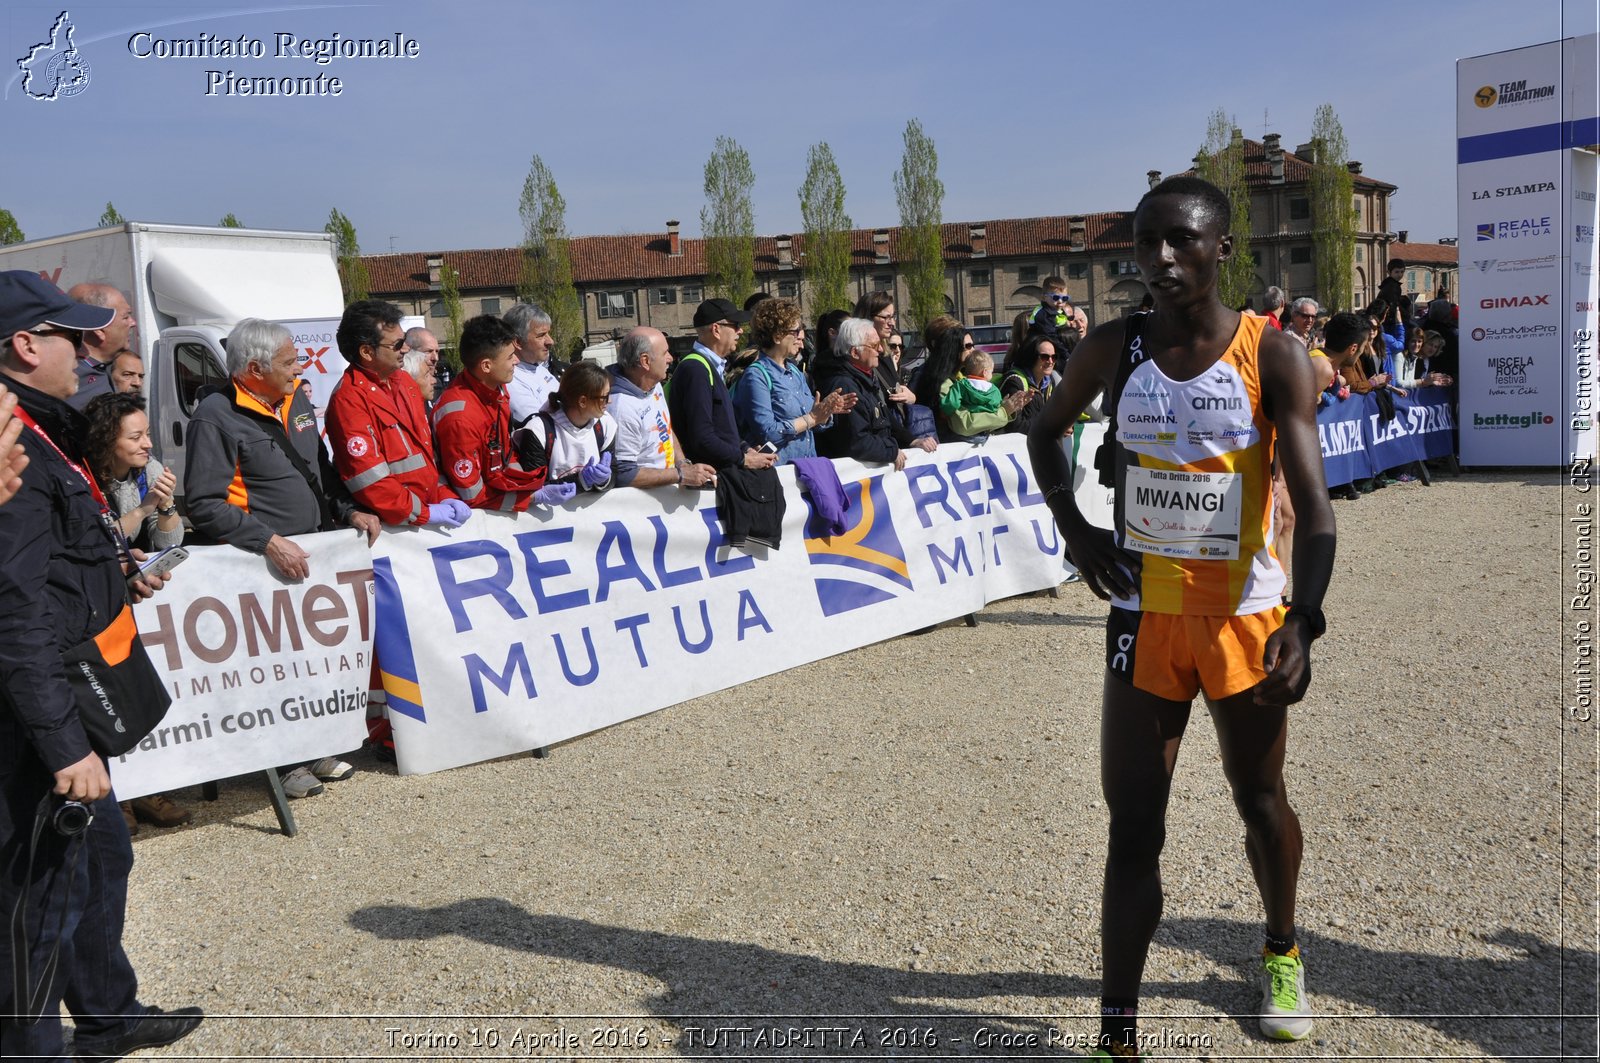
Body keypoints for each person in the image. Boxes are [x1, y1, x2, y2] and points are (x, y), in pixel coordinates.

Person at [1027, 176, 1335, 1055]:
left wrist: (1303, 620)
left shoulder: (1270, 354)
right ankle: (1115, 1035)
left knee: (1260, 798)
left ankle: (1281, 948)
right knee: (1134, 827)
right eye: (1148, 242)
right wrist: (1078, 530)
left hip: (1245, 615)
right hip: (1144, 615)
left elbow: (1314, 508)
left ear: (1223, 249)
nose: (1161, 260)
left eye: (1183, 242)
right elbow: (1042, 433)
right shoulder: (1115, 349)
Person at [0, 270, 203, 1062]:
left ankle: (109, 1016)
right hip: (35, 728)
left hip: (66, 704)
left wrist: (114, 572)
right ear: (24, 345)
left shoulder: (43, 432)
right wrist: (62, 747)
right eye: (69, 334)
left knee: (102, 855)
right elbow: (13, 618)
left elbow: (46, 572)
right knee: (32, 911)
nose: (88, 349)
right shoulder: (13, 452)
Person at [184, 317, 381, 797]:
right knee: (274, 670)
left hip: (313, 556)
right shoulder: (216, 414)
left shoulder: (296, 399)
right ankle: (280, 760)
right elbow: (204, 504)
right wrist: (267, 541)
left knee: (313, 663)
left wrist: (347, 509)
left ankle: (313, 746)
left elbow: (320, 468)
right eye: (290, 362)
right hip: (260, 566)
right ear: (255, 368)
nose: (300, 368)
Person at [81, 391, 191, 831]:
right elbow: (100, 538)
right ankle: (119, 799)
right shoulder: (86, 477)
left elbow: (168, 543)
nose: (148, 443)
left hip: (130, 601)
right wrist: (146, 508)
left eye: (148, 433)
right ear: (109, 441)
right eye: (136, 436)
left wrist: (163, 506)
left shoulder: (148, 472)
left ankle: (145, 790)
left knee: (135, 697)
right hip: (93, 609)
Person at [324, 300, 466, 529]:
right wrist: (423, 513)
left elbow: (426, 456)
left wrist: (443, 494)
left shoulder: (405, 382)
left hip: (420, 519)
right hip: (391, 530)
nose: (406, 348)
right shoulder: (348, 401)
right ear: (367, 352)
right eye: (398, 343)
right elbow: (370, 481)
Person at [433, 315, 550, 512]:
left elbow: (504, 454)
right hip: (475, 519)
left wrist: (525, 485)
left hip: (495, 498)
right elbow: (471, 494)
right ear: (486, 365)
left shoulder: (497, 390)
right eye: (510, 356)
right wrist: (528, 499)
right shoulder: (460, 418)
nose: (516, 361)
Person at [732, 298, 854, 465]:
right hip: (780, 474)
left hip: (808, 469)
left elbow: (814, 423)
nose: (801, 336)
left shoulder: (795, 371)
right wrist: (810, 418)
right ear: (777, 336)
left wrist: (825, 413)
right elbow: (767, 434)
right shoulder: (756, 376)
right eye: (796, 331)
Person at [666, 298, 777, 473]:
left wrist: (745, 448)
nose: (740, 330)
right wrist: (743, 459)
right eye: (735, 325)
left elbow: (721, 428)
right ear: (716, 329)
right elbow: (702, 438)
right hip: (709, 482)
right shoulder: (695, 369)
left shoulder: (709, 367)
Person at [608, 327, 717, 489]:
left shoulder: (653, 383)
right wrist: (680, 475)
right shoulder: (621, 407)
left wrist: (682, 464)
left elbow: (664, 428)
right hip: (642, 507)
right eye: (665, 353)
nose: (671, 358)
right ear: (645, 361)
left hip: (665, 495)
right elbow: (624, 474)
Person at [813, 317, 915, 469]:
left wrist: (911, 441)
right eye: (875, 345)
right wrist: (891, 450)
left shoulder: (865, 378)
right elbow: (856, 441)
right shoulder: (844, 386)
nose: (881, 350)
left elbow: (884, 418)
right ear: (855, 352)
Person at [513, 360, 618, 496]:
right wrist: (581, 481)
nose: (609, 401)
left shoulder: (605, 424)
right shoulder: (539, 430)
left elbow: (614, 473)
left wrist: (604, 480)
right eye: (605, 397)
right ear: (583, 401)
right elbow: (534, 490)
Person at [915, 325, 1029, 442]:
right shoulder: (944, 383)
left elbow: (977, 414)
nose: (973, 350)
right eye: (968, 346)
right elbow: (965, 424)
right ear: (954, 348)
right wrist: (1003, 412)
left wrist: (1004, 407)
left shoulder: (961, 379)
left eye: (973, 345)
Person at [64, 283, 137, 409]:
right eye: (126, 317)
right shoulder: (71, 379)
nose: (133, 323)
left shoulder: (107, 368)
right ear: (99, 329)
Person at [503, 302, 558, 427]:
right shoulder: (510, 380)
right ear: (518, 342)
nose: (550, 341)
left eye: (548, 334)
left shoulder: (540, 369)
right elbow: (542, 427)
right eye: (541, 335)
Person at [998, 334, 1060, 437]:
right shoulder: (1015, 382)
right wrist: (1049, 427)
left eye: (1054, 357)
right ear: (1031, 357)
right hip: (1018, 449)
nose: (1050, 361)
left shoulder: (1049, 382)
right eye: (1045, 357)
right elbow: (1014, 426)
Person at [1025, 276, 1089, 345]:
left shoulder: (1059, 312)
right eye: (1055, 297)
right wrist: (1065, 353)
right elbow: (1052, 338)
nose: (1060, 301)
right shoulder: (1042, 315)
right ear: (1043, 297)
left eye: (1064, 298)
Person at [402, 327, 441, 406]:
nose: (435, 358)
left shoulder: (437, 386)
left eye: (437, 351)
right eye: (429, 351)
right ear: (410, 352)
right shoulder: (400, 391)